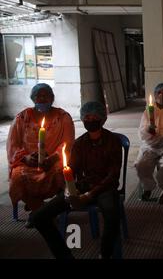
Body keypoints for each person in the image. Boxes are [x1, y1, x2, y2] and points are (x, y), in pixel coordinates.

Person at [32, 101, 122, 259]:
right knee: (38, 217)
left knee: (112, 215)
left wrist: (90, 195)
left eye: (95, 116)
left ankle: (105, 254)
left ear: (102, 118)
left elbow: (113, 175)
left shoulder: (112, 141)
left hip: (105, 188)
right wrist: (68, 189)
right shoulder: (80, 143)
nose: (91, 119)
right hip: (83, 186)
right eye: (87, 116)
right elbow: (72, 170)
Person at [7, 83, 75, 227]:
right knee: (17, 176)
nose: (43, 99)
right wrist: (25, 158)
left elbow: (68, 143)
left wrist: (53, 157)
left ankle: (42, 211)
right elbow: (13, 144)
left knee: (61, 174)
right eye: (39, 96)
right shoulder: (22, 117)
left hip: (54, 160)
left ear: (52, 98)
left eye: (46, 95)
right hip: (27, 163)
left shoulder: (63, 117)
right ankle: (39, 209)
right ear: (33, 98)